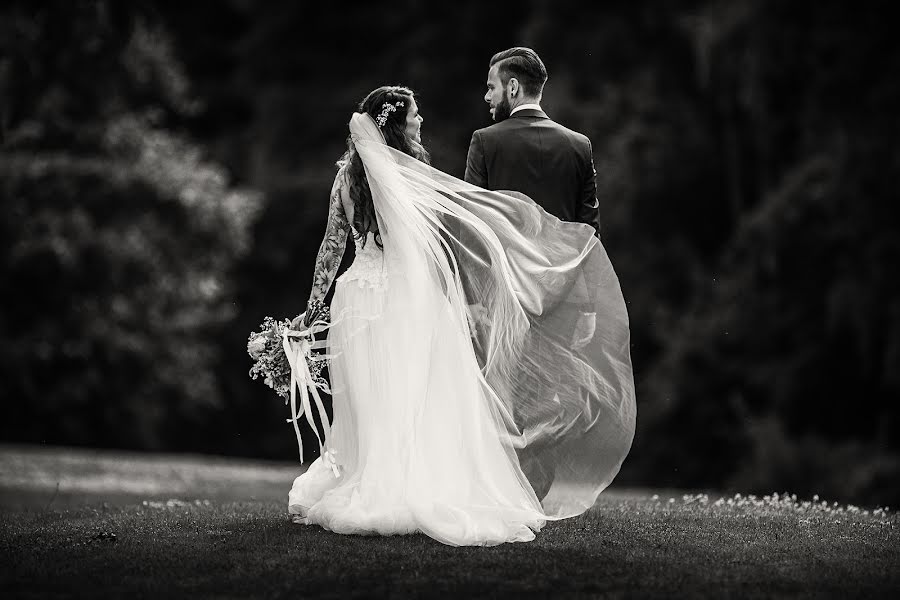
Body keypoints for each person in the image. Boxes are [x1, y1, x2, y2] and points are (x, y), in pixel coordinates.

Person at [286, 85, 635, 547]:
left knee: (371, 400)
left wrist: (312, 310)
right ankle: (411, 486)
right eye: (415, 115)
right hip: (406, 299)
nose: (421, 121)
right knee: (416, 395)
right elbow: (432, 248)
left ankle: (372, 481)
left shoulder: (344, 179)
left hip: (356, 297)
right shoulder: (412, 176)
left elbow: (332, 248)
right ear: (395, 123)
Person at [465, 47, 601, 235]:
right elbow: (590, 234)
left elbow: (474, 223)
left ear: (513, 87)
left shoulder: (484, 141)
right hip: (565, 264)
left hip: (509, 264)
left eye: (491, 87)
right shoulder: (579, 145)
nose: (487, 97)